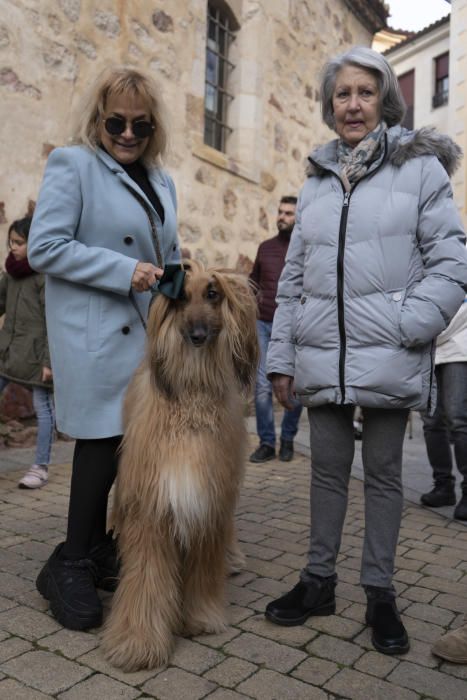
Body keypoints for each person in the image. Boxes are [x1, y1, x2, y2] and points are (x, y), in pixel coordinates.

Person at [264, 46, 467, 656]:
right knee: (325, 473)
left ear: (386, 102)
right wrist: (281, 356)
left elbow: (452, 264)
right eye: (342, 94)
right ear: (331, 105)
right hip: (322, 353)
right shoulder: (317, 182)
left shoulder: (421, 170)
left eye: (365, 92)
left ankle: (380, 592)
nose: (353, 104)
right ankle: (318, 581)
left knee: (382, 477)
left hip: (390, 353)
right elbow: (294, 278)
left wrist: (408, 325)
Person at [28, 65, 180, 631]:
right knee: (98, 442)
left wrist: (189, 291)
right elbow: (45, 246)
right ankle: (68, 562)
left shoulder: (161, 180)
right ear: (98, 119)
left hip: (143, 335)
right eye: (116, 122)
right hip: (92, 331)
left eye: (140, 125)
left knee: (124, 446)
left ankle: (94, 548)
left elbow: (170, 256)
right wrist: (125, 270)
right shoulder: (74, 164)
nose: (127, 133)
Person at [0, 215, 55, 489]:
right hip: (7, 353)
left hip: (36, 358)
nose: (13, 247)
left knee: (43, 410)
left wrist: (49, 361)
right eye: (10, 242)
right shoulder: (10, 274)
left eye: (19, 242)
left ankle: (40, 467)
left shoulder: (44, 277)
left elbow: (52, 320)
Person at [249, 196, 303, 463]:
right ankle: (267, 442)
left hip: (294, 328)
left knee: (295, 387)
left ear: (298, 216)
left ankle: (288, 439)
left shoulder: (304, 250)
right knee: (261, 387)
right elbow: (253, 282)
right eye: (280, 212)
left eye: (289, 213)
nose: (282, 217)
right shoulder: (265, 247)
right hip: (263, 323)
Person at [420, 302, 467, 519]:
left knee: (458, 418)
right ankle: (443, 486)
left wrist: (425, 333)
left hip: (458, 349)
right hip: (427, 350)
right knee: (431, 421)